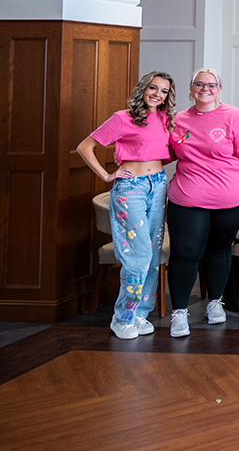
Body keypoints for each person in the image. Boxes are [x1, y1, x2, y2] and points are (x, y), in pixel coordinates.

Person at [163, 69, 239, 338]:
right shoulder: (177, 120)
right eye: (199, 84)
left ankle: (215, 302)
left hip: (229, 200)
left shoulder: (235, 117)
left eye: (211, 85)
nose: (205, 89)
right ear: (191, 88)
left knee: (219, 249)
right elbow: (163, 153)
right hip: (187, 198)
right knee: (185, 252)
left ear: (219, 89)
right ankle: (180, 312)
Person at [77, 71, 175, 339]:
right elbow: (85, 147)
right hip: (130, 189)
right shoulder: (123, 118)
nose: (157, 94)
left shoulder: (165, 119)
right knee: (138, 253)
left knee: (153, 253)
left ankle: (141, 313)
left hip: (158, 186)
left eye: (164, 91)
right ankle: (123, 317)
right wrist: (107, 175)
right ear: (143, 89)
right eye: (153, 88)